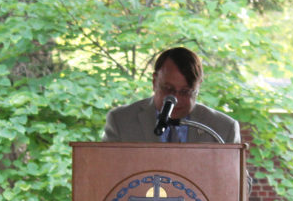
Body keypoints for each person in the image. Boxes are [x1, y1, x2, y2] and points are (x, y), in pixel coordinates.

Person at [103, 47, 241, 144]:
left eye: (185, 92)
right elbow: (104, 174)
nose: (176, 100)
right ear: (154, 81)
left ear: (198, 87)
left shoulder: (223, 128)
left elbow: (242, 183)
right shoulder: (121, 121)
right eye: (168, 89)